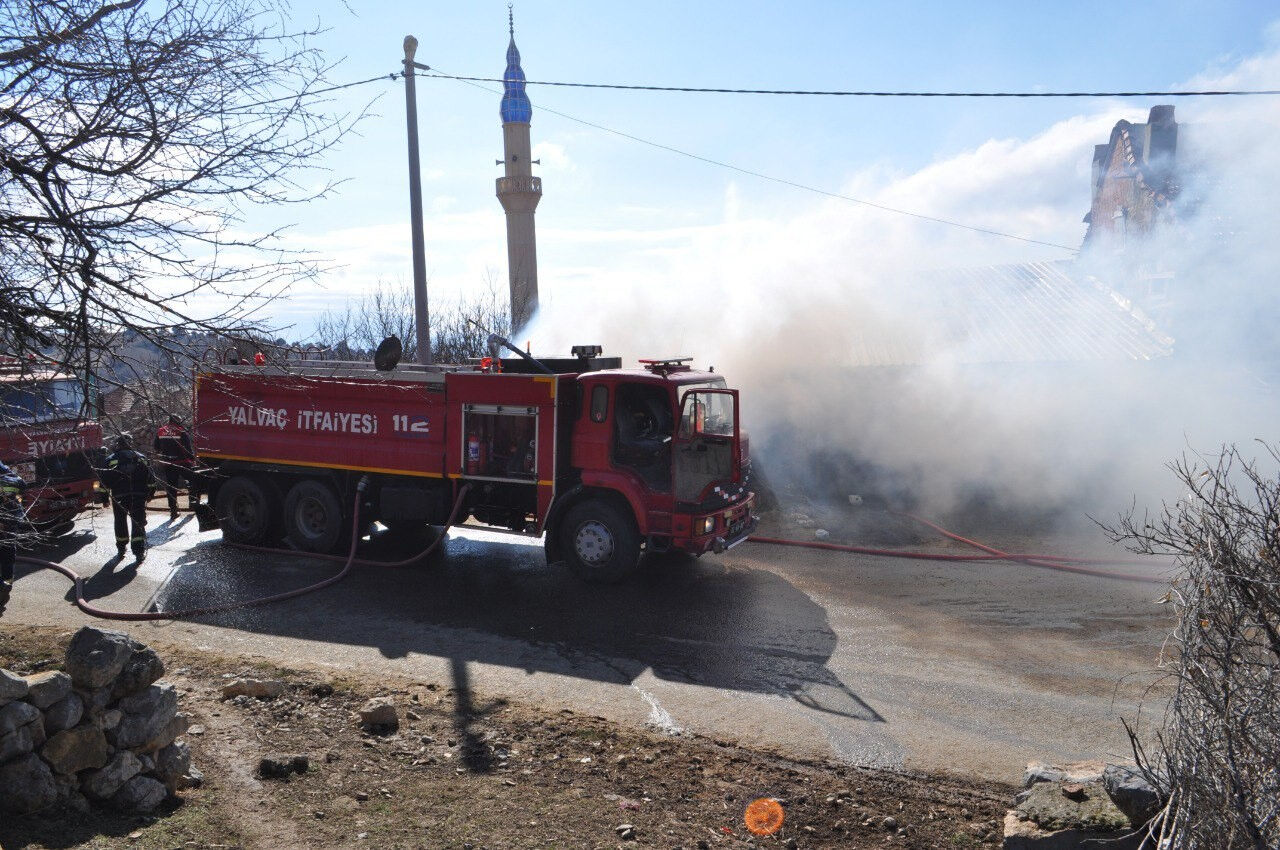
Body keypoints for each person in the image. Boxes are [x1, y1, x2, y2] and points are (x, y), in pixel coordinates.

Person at [99, 435, 153, 561]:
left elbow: (104, 481)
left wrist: (104, 498)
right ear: (130, 444)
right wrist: (150, 493)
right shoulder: (141, 458)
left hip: (119, 496)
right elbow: (150, 478)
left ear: (118, 444)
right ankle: (138, 551)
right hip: (138, 495)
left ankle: (121, 548)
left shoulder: (110, 460)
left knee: (120, 521)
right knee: (138, 522)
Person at [154, 414, 197, 520]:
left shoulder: (161, 431)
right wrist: (192, 460)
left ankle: (173, 511)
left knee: (171, 487)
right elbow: (188, 449)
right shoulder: (181, 431)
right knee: (193, 482)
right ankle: (193, 505)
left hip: (168, 464)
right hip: (183, 462)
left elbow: (156, 447)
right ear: (177, 421)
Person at [0, 460, 27, 613]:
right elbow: (23, 487)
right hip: (11, 524)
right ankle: (6, 584)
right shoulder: (13, 480)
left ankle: (2, 587)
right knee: (8, 554)